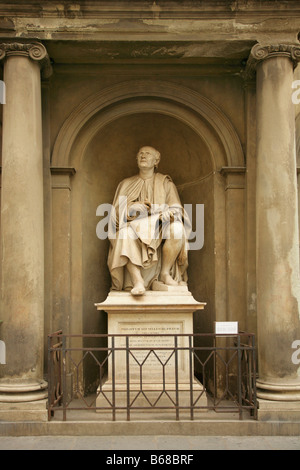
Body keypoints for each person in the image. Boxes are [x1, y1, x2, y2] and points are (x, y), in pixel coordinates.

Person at [107, 146, 189, 295]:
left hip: (158, 228)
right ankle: (137, 280)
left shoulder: (166, 184)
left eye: (148, 154)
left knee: (177, 229)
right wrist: (133, 208)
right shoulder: (126, 184)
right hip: (132, 227)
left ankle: (164, 273)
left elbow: (177, 209)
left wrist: (167, 214)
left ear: (156, 160)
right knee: (125, 233)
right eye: (140, 154)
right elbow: (116, 215)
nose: (143, 156)